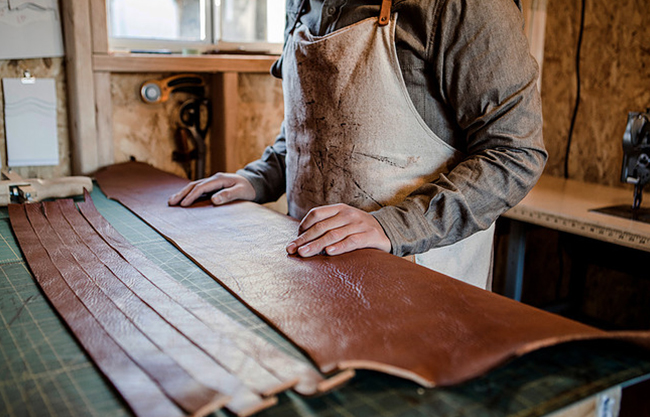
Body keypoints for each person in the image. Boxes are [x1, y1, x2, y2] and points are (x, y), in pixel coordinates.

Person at [168, 0, 547, 290]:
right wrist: (260, 177)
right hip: (313, 271)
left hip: (418, 285)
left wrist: (395, 226)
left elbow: (514, 154)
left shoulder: (463, 6)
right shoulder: (302, 4)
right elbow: (319, 122)